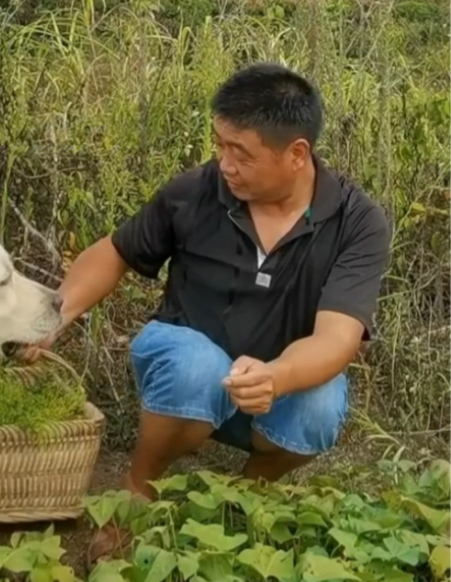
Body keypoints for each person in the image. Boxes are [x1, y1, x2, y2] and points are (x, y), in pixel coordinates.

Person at [21, 63, 391, 552]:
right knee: (198, 366)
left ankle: (247, 493)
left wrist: (275, 377)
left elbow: (338, 337)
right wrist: (56, 314)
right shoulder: (197, 192)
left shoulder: (356, 222)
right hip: (181, 369)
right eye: (220, 145)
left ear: (296, 153)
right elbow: (115, 252)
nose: (225, 164)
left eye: (241, 153)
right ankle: (138, 488)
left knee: (320, 405)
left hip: (270, 389)